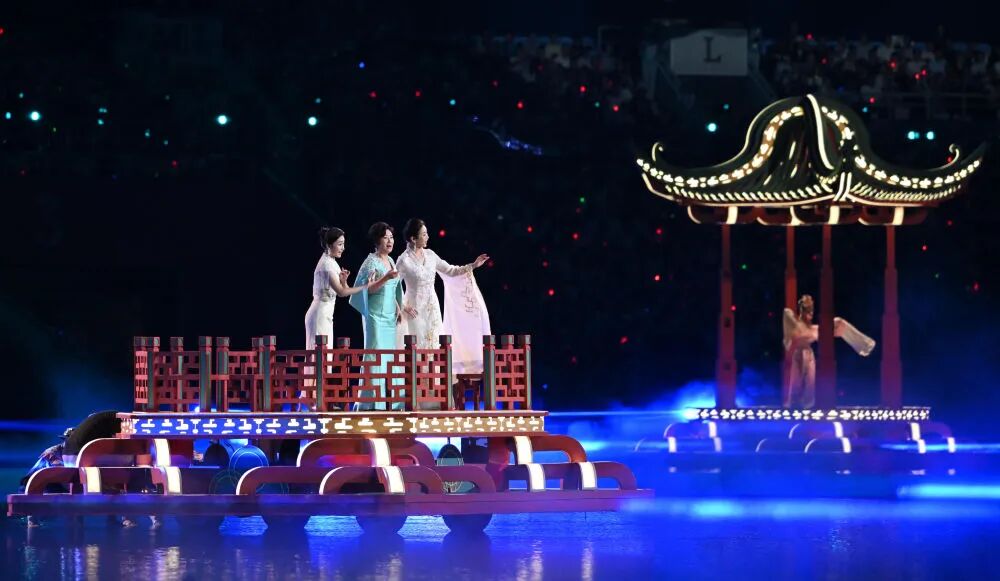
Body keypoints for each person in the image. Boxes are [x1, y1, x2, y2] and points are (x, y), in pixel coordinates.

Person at [395, 218, 491, 376]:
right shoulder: (403, 260)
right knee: (417, 347)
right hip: (414, 311)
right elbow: (393, 286)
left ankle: (435, 386)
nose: (427, 237)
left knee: (434, 345)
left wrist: (473, 265)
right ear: (413, 238)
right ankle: (416, 387)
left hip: (432, 309)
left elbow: (451, 270)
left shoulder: (431, 255)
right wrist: (403, 306)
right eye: (424, 234)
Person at [302, 227, 374, 410]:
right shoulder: (326, 265)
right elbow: (342, 292)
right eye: (340, 244)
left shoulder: (331, 262)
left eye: (343, 244)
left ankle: (315, 398)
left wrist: (343, 280)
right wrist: (365, 286)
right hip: (319, 313)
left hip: (325, 314)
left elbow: (343, 287)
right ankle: (312, 400)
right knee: (319, 356)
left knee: (323, 356)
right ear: (329, 245)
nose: (343, 248)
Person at [782, 295, 876, 408]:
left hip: (808, 350)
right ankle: (794, 404)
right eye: (807, 309)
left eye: (811, 310)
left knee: (839, 322)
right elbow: (788, 316)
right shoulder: (794, 322)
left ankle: (865, 345)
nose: (810, 313)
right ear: (802, 310)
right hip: (799, 350)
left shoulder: (813, 328)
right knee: (797, 382)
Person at [349, 222, 402, 410]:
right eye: (385, 237)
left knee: (390, 357)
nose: (389, 241)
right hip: (375, 316)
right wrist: (385, 277)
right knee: (374, 355)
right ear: (377, 240)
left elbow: (393, 288)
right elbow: (367, 289)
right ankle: (370, 402)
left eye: (391, 237)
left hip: (389, 317)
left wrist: (398, 307)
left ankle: (393, 402)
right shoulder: (370, 262)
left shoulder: (391, 260)